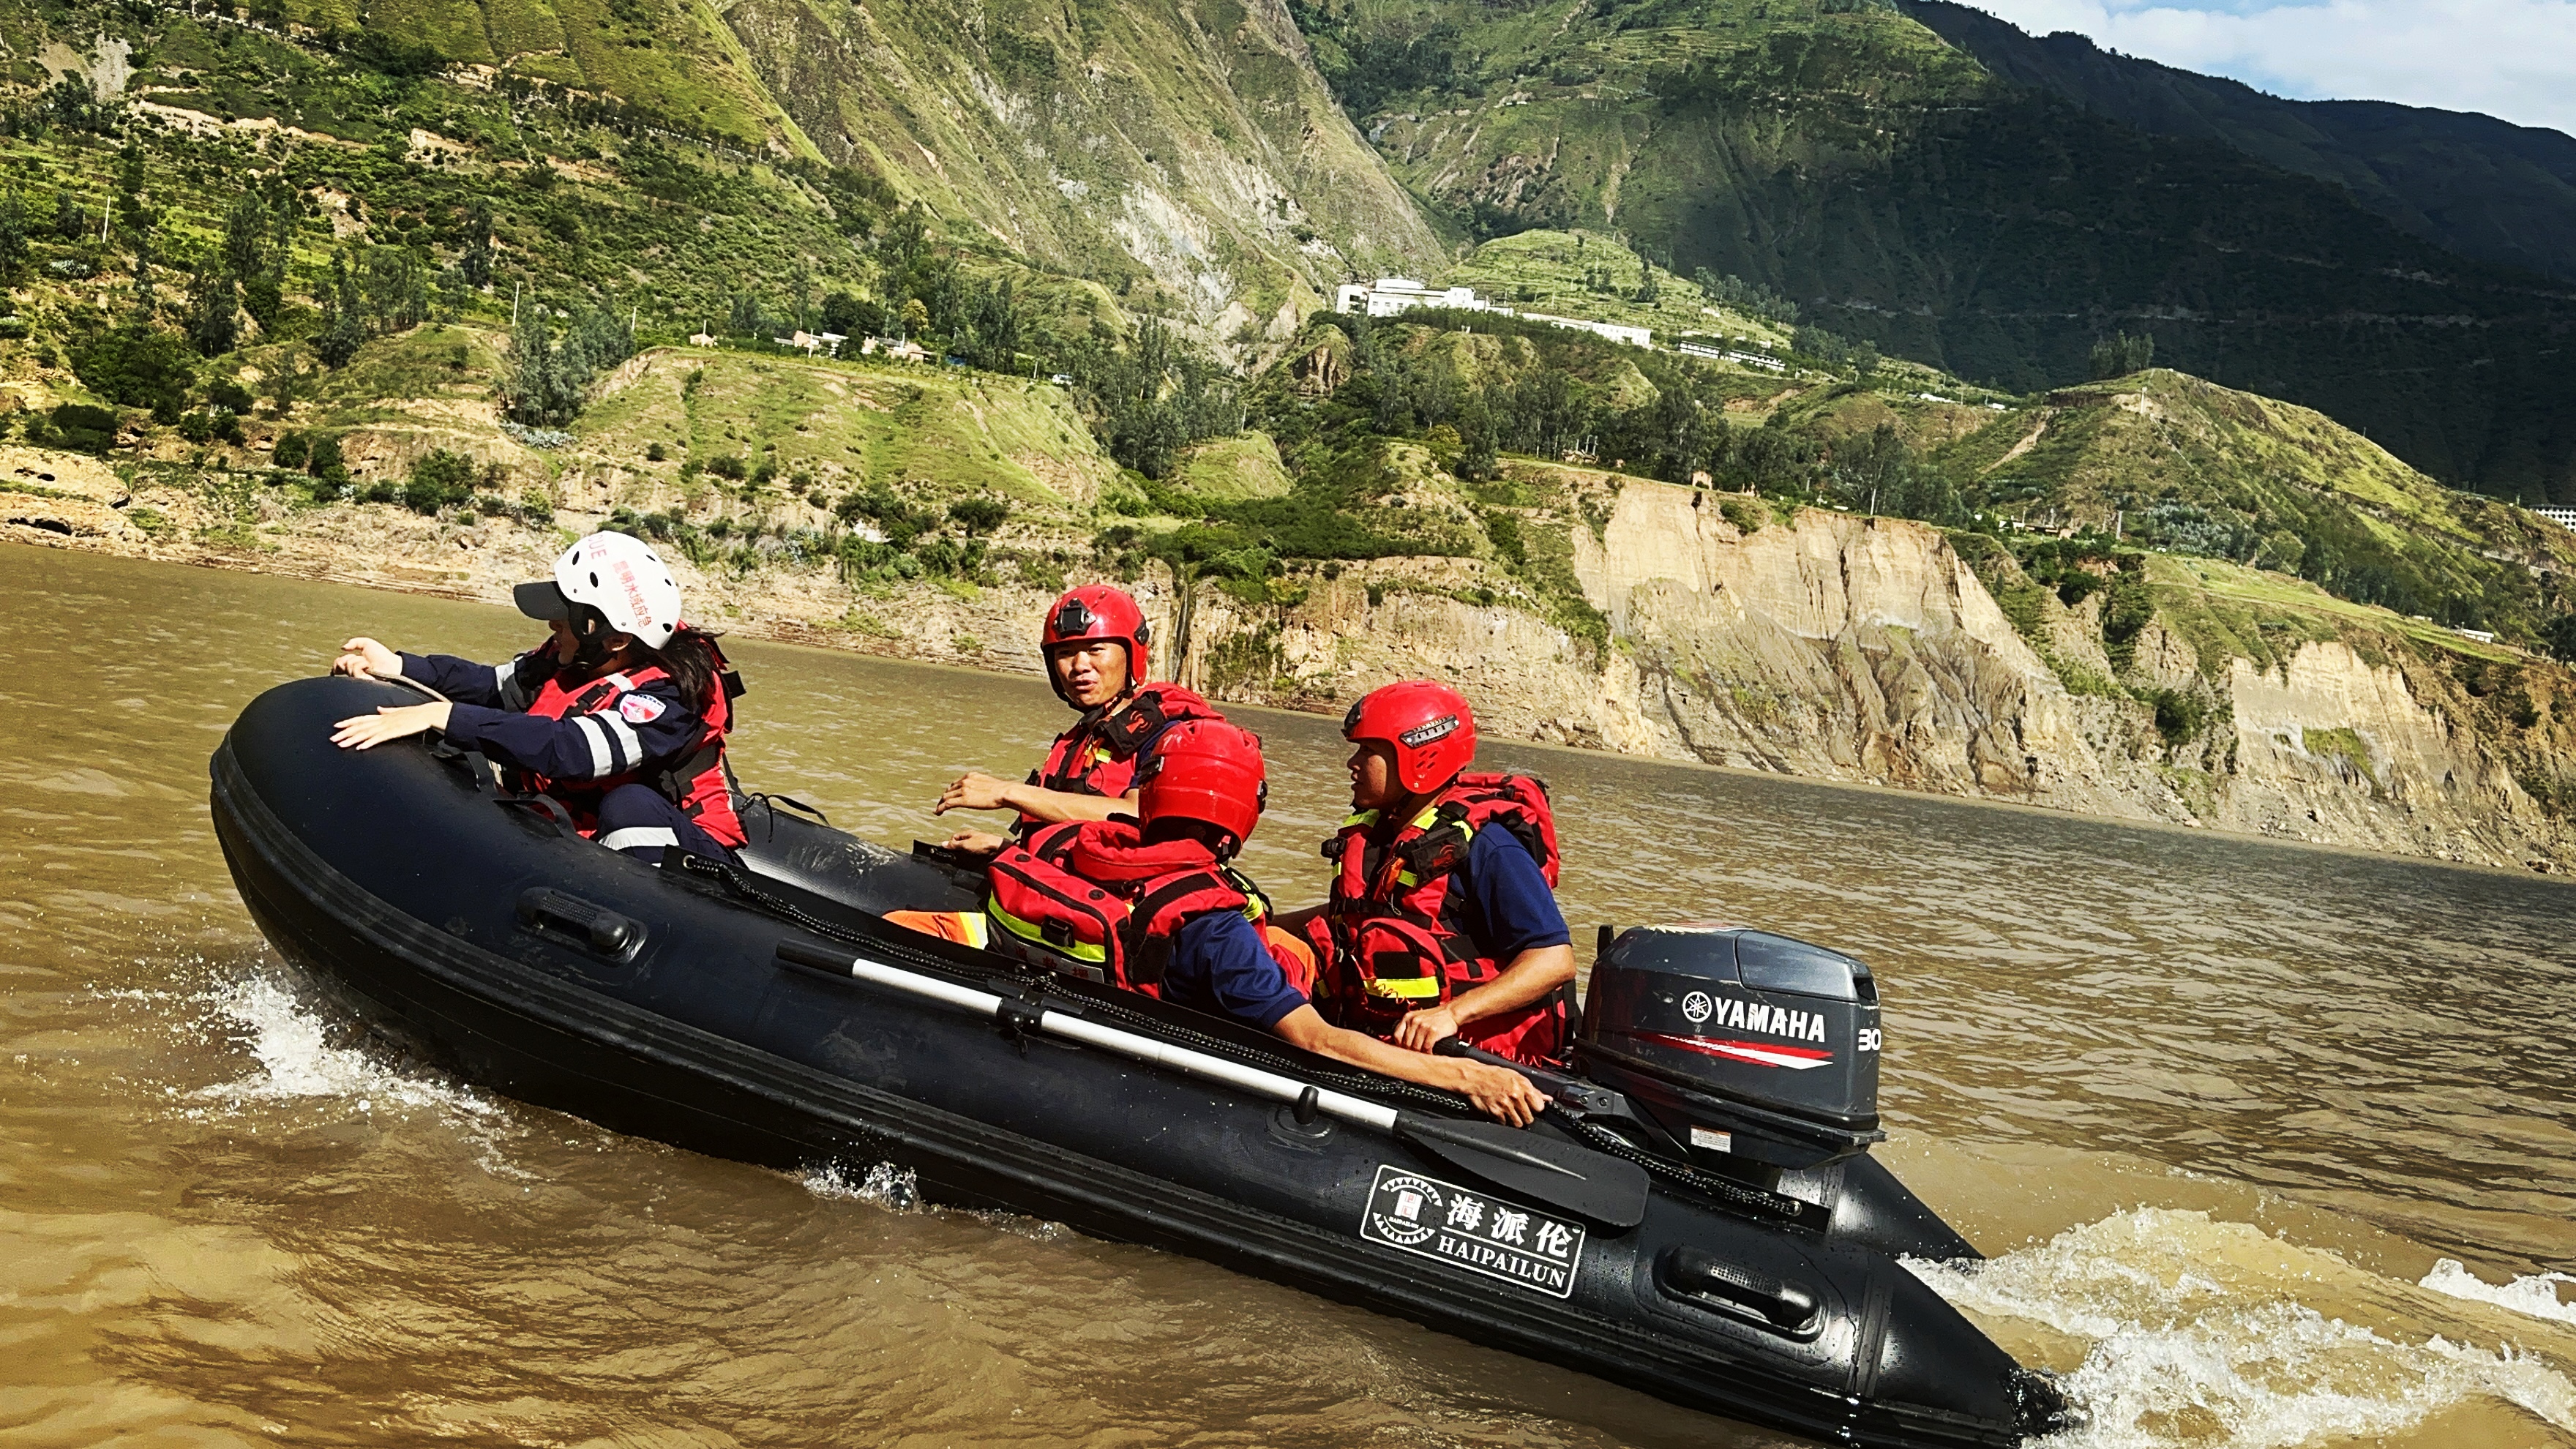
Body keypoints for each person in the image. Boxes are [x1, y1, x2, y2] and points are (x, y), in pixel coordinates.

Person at [909, 719, 1546, 1126]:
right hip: (1285, 1029)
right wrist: (1466, 1076)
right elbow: (1319, 1042)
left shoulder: (1071, 847)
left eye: (1366, 754)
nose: (1351, 765)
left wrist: (1001, 848)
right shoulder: (1219, 929)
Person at [327, 531, 747, 864]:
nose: (551, 623)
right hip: (580, 820)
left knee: (630, 804)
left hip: (686, 854)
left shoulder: (676, 693)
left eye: (564, 616)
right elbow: (491, 686)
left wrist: (445, 716)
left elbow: (575, 749)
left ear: (613, 638)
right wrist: (399, 667)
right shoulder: (576, 657)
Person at [1300, 680, 1576, 1067]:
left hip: (1471, 1059)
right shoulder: (1384, 832)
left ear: (1418, 759)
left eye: (1369, 751)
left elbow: (1554, 960)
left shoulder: (1490, 846)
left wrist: (1452, 1014)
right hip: (1385, 1042)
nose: (1353, 764)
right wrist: (1257, 923)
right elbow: (1357, 913)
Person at [933, 585, 1221, 858]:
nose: (1080, 665)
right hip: (1066, 891)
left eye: (1095, 649)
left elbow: (1138, 815)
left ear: (1132, 654)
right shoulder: (1085, 736)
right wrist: (1006, 848)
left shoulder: (1169, 735)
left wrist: (1009, 792)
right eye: (1065, 653)